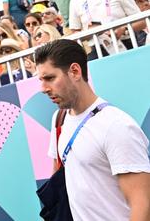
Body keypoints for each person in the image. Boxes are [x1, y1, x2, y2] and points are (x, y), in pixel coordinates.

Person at [38, 39, 150, 221]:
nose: (43, 88)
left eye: (50, 78)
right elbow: (58, 181)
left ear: (75, 71)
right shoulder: (59, 119)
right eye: (41, 80)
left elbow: (142, 204)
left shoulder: (116, 125)